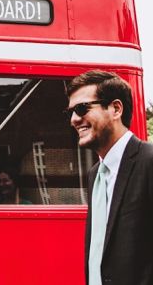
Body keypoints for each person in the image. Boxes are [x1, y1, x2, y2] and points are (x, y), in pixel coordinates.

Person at [66, 69, 153, 285]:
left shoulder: (149, 161)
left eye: (82, 108)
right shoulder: (95, 174)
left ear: (115, 109)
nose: (74, 119)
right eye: (71, 111)